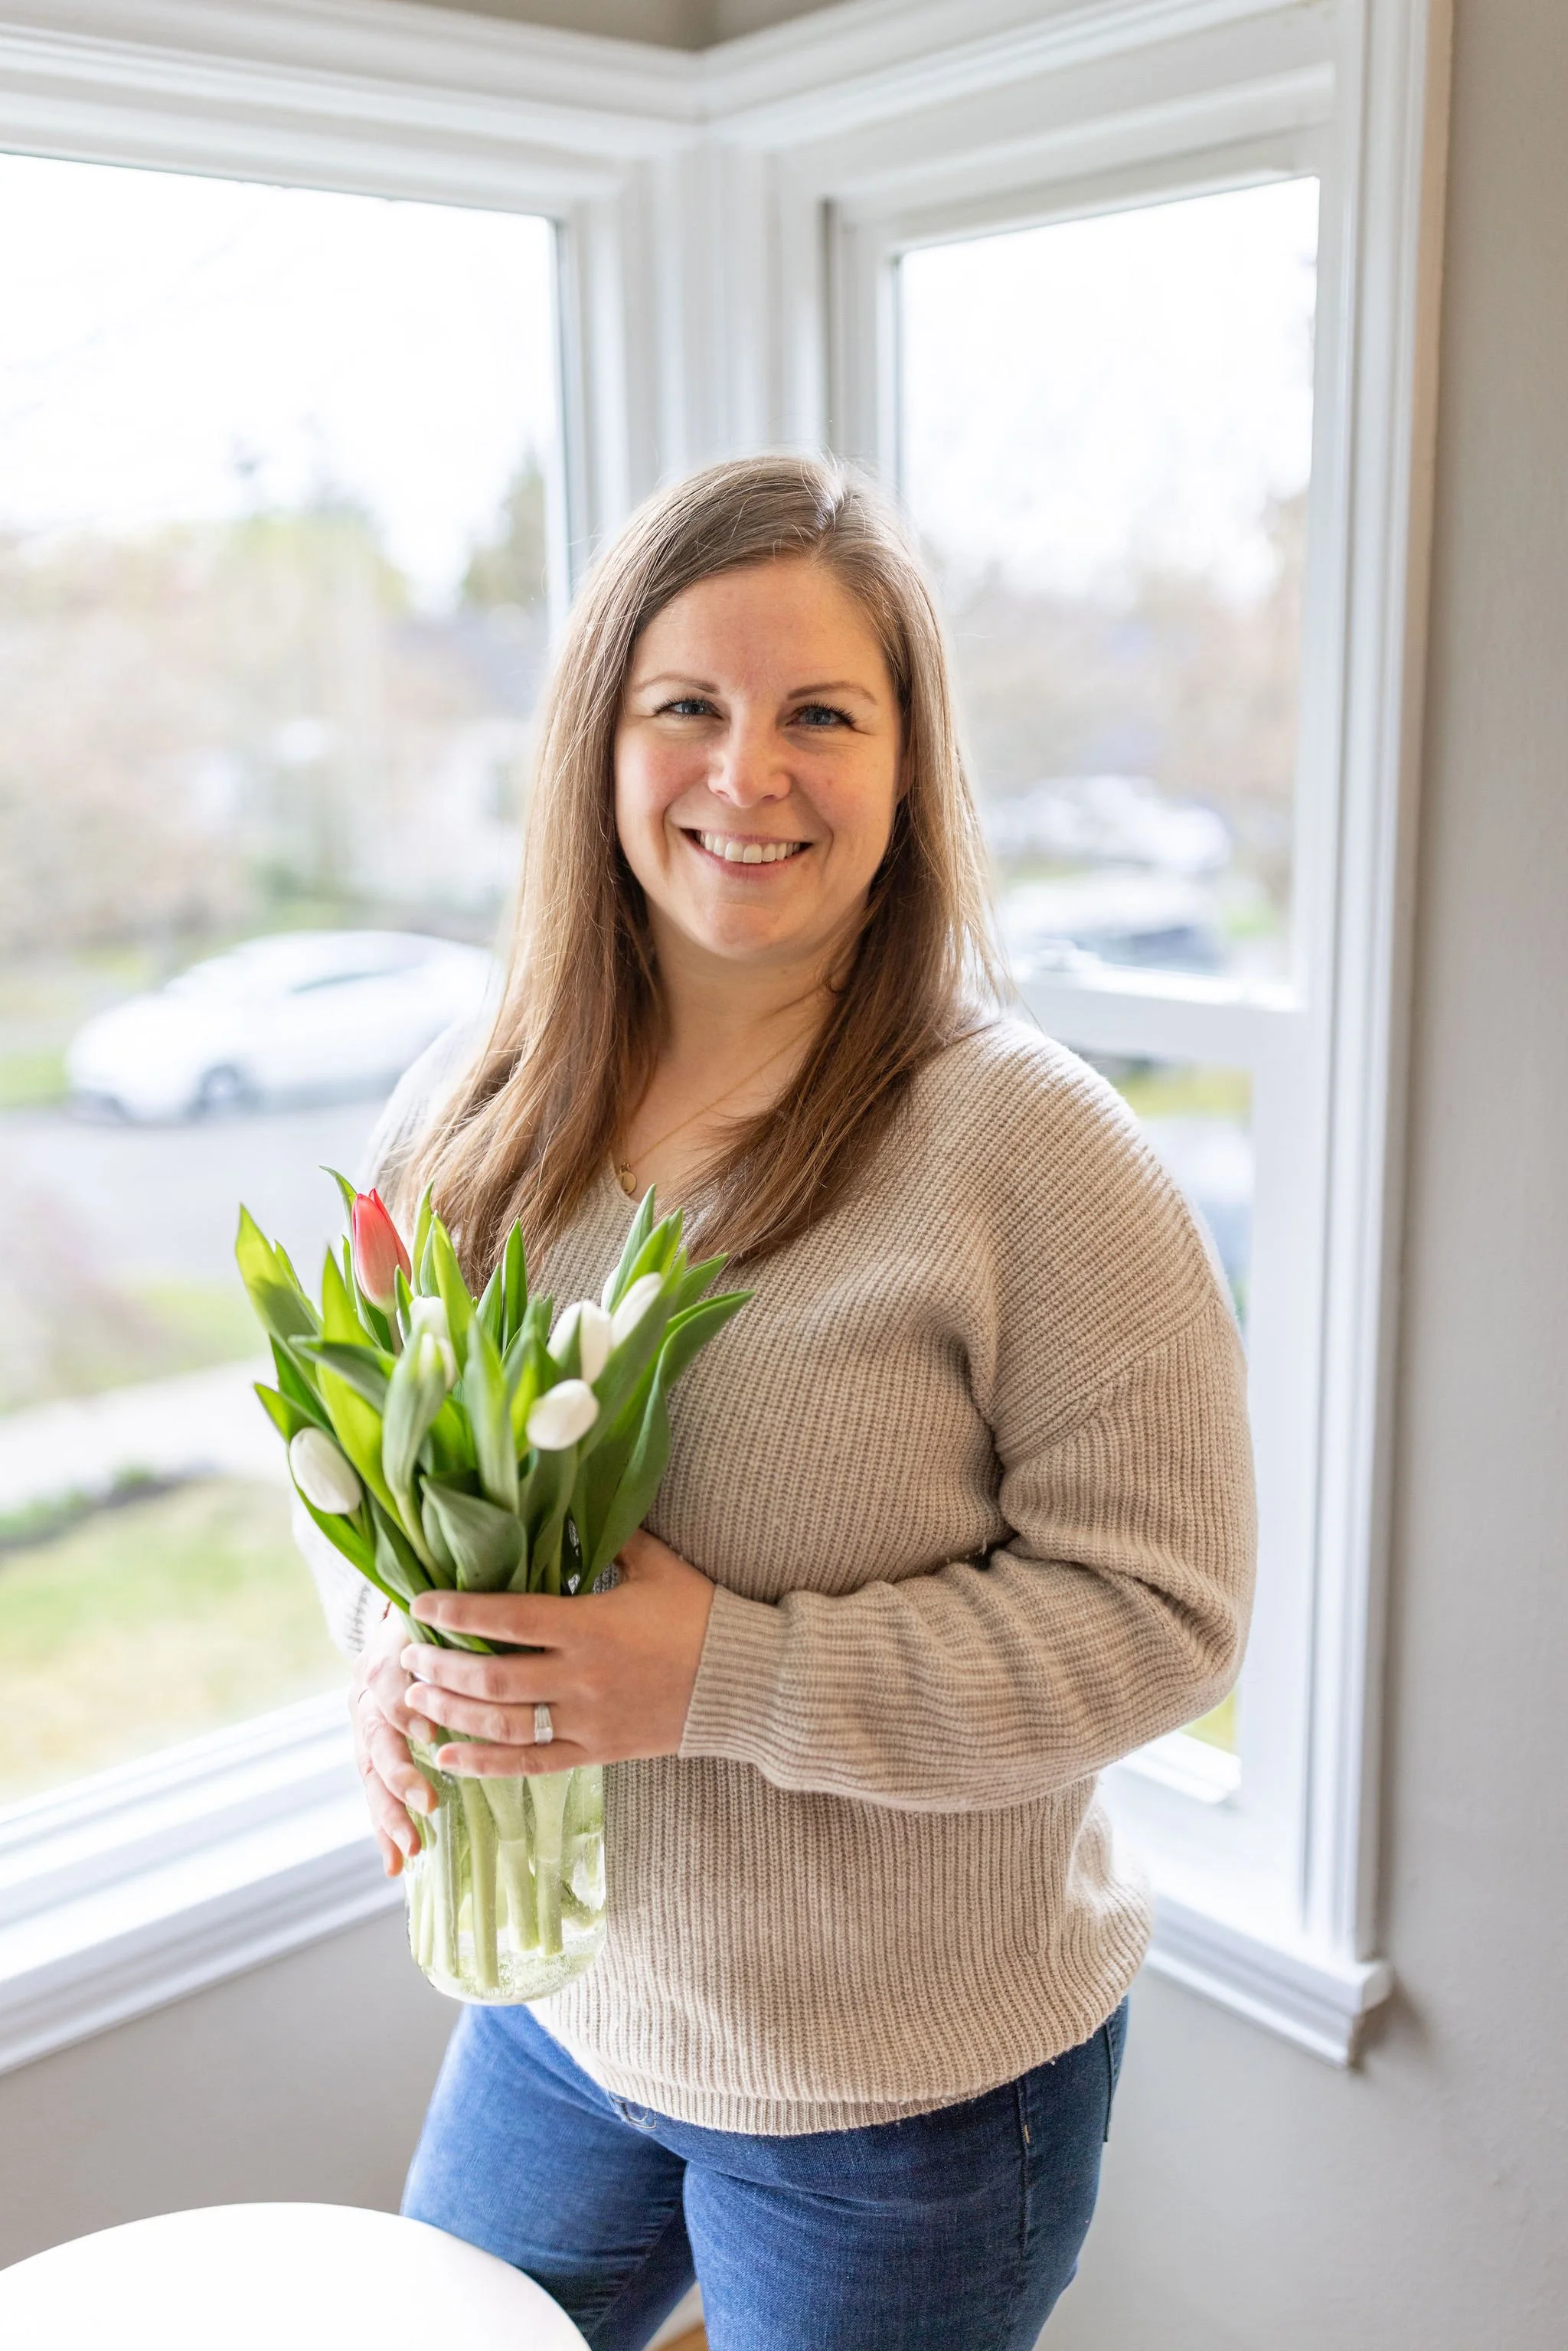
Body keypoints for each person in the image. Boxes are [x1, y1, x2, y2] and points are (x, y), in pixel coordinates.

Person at [306, 454, 1256, 2351]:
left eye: (820, 712)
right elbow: (361, 1456)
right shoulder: (471, 1100)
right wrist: (392, 1664)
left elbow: (1164, 1624)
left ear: (909, 770)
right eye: (689, 706)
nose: (749, 772)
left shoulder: (1035, 1154)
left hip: (907, 2095)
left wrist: (716, 1668)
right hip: (560, 2011)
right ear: (600, 740)